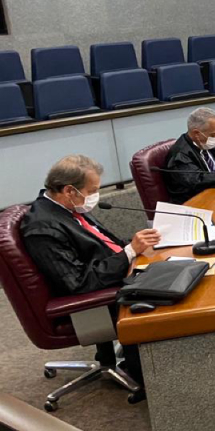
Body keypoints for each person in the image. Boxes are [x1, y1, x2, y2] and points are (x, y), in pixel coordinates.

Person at [21, 155, 162, 384]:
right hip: (91, 300)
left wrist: (135, 245)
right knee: (165, 297)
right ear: (69, 190)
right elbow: (78, 283)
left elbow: (101, 246)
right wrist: (128, 253)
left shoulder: (66, 208)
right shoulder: (43, 227)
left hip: (111, 276)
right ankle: (148, 377)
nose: (95, 195)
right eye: (93, 190)